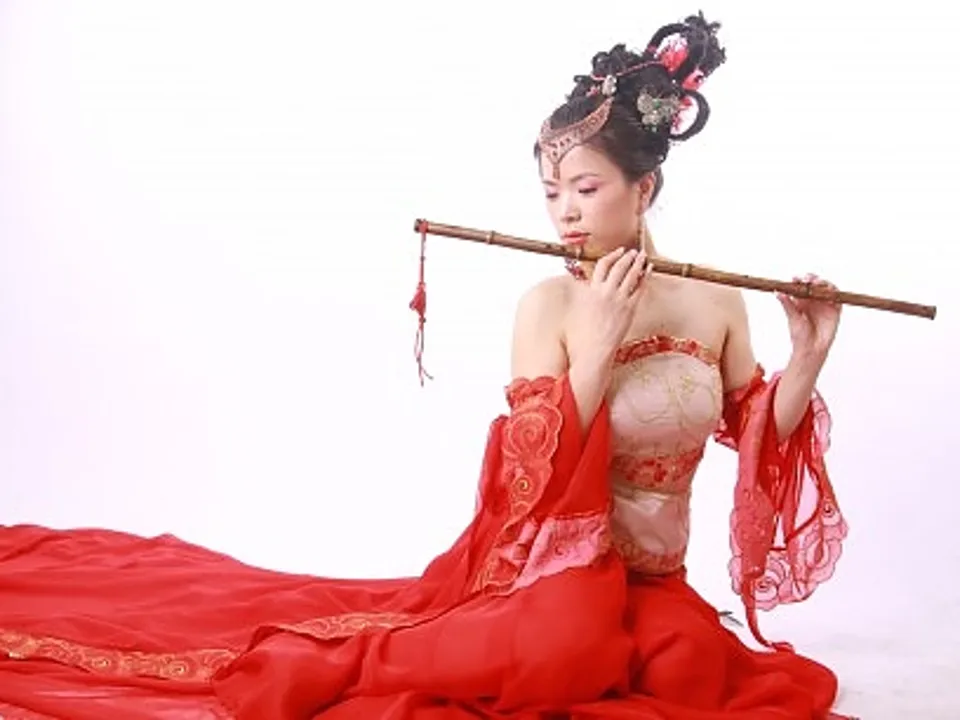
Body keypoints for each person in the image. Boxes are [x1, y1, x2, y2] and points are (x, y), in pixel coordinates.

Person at [0, 12, 856, 720]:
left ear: (646, 190)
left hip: (656, 582)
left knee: (696, 676)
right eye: (551, 192)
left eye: (586, 190)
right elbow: (527, 486)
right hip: (553, 576)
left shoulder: (715, 304)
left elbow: (750, 433)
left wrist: (808, 357)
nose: (564, 212)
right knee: (564, 660)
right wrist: (595, 349)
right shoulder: (547, 308)